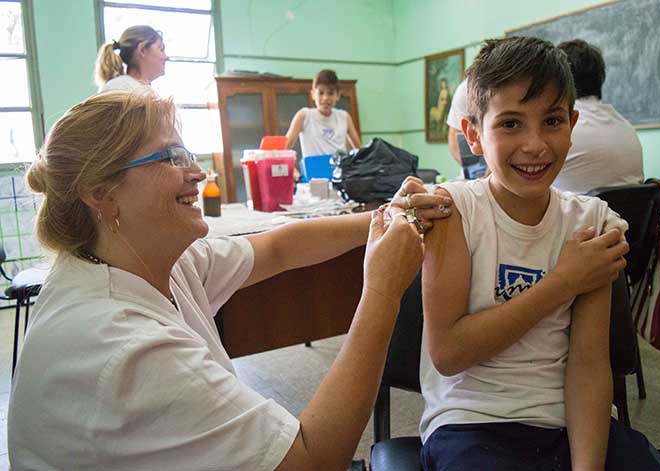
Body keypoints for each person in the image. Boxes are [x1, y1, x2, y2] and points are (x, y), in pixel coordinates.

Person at [7, 91, 452, 470]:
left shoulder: (151, 262)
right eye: (170, 157)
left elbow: (278, 247)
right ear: (101, 193)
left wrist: (386, 216)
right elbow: (312, 461)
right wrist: (381, 291)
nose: (198, 172)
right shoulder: (124, 348)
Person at [420, 37, 660, 470]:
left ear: (572, 124)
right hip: (471, 422)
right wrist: (562, 283)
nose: (535, 145)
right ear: (474, 135)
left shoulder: (593, 223)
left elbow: (590, 365)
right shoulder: (454, 212)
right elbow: (449, 352)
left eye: (552, 121)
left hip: (571, 420)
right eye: (511, 124)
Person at [553, 39, 644, 193]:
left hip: (577, 216)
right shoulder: (626, 127)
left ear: (559, 79)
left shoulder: (565, 130)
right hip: (628, 218)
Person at [286, 69, 362, 157]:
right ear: (313, 94)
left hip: (340, 169)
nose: (325, 98)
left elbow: (359, 150)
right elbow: (284, 149)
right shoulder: (304, 116)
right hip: (313, 169)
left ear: (338, 95)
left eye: (330, 93)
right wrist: (295, 170)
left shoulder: (344, 117)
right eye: (321, 93)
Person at [94, 25, 168, 93]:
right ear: (142, 50)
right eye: (161, 49)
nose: (166, 57)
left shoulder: (137, 89)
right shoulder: (121, 88)